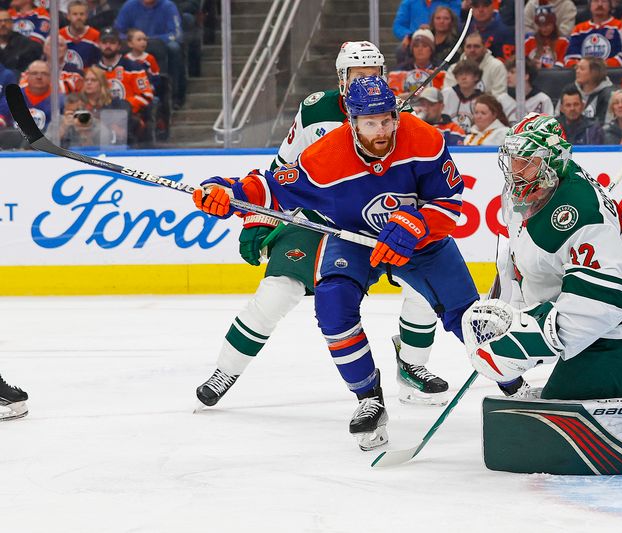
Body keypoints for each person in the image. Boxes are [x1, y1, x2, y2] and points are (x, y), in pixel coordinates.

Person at [193, 76, 479, 450]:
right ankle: (368, 400)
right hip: (355, 239)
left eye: (387, 119)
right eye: (371, 122)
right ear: (353, 122)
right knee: (332, 304)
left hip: (420, 241)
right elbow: (273, 186)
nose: (382, 130)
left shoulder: (423, 139)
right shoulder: (324, 156)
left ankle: (513, 384)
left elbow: (451, 203)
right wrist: (225, 190)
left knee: (469, 318)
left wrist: (416, 223)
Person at [465, 111, 622, 402]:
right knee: (558, 408)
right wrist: (512, 317)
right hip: (607, 321)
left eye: (526, 162)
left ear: (551, 162)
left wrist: (524, 342)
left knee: (557, 415)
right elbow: (520, 263)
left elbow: (601, 303)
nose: (515, 170)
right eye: (513, 159)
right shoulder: (533, 189)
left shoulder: (580, 214)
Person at [114, 0, 185, 108]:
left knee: (174, 48)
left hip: (161, 44)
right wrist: (132, 39)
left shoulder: (168, 6)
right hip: (134, 45)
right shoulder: (129, 5)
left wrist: (151, 40)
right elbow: (118, 31)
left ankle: (175, 96)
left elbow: (176, 33)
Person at [564, 0, 622, 67]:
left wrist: (600, 66)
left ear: (610, 5)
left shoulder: (620, 26)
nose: (600, 4)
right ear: (590, 5)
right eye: (596, 1)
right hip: (584, 74)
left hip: (612, 73)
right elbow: (570, 59)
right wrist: (584, 67)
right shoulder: (579, 29)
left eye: (604, 1)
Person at [444, 31, 507, 98]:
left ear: (484, 47)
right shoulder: (454, 68)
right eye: (468, 46)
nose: (472, 50)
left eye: (476, 46)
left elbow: (500, 96)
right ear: (464, 48)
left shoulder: (497, 66)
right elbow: (448, 95)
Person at [500, 56, 554, 122]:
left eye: (512, 72)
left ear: (526, 76)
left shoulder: (543, 100)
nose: (508, 76)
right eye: (507, 72)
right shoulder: (502, 99)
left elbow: (550, 127)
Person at [442, 58, 483, 131]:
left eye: (467, 74)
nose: (463, 77)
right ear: (456, 77)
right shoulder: (446, 93)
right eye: (460, 74)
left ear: (476, 76)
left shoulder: (483, 98)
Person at [59, 0, 101, 71]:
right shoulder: (59, 35)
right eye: (75, 14)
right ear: (68, 16)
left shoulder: (95, 35)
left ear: (86, 16)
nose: (79, 17)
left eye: (82, 14)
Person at [572, 56, 615, 123]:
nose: (577, 71)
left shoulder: (609, 95)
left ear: (595, 73)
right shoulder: (571, 90)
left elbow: (608, 125)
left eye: (582, 69)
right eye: (577, 68)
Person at [0, 8, 42, 73]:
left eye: (6, 21)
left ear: (12, 23)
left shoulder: (25, 43)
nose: (3, 24)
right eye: (0, 21)